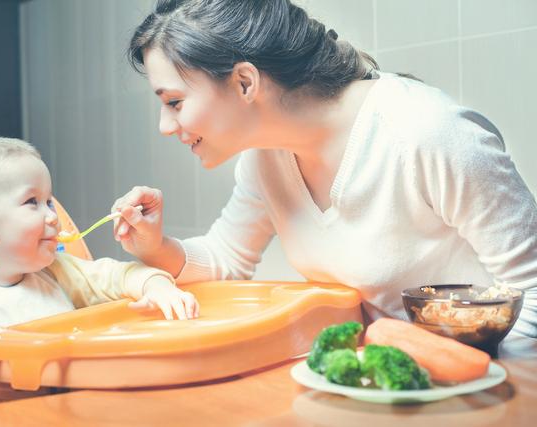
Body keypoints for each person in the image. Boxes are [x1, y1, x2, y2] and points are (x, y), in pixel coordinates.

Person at [111, 0, 537, 338]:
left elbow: (532, 297)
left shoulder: (427, 134)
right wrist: (154, 244)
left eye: (174, 103)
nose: (165, 127)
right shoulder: (265, 158)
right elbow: (225, 260)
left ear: (245, 82)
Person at [0, 136, 199, 377]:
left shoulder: (57, 271)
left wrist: (156, 287)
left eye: (49, 202)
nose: (52, 217)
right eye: (33, 202)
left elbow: (120, 276)